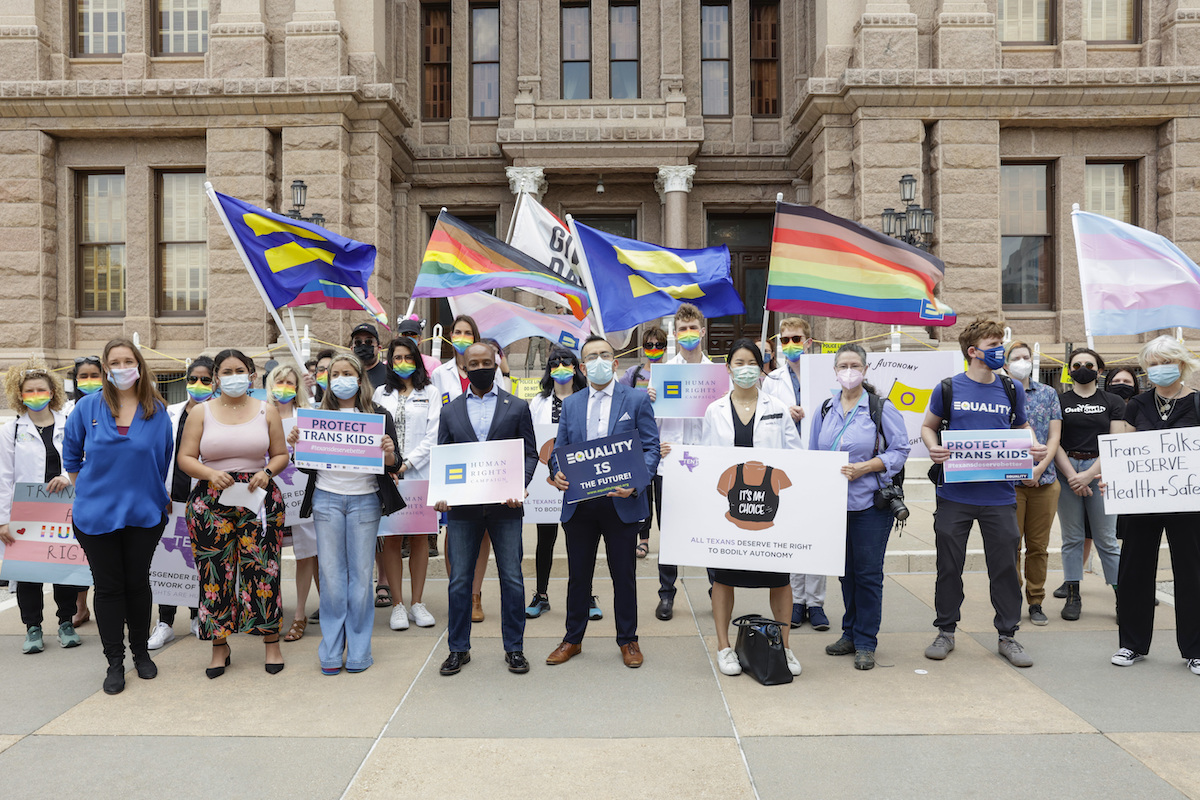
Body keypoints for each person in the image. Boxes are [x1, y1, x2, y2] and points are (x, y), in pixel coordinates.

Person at [921, 319, 1046, 668]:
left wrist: (1032, 445)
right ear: (973, 351)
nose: (999, 350)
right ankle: (946, 630)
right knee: (949, 566)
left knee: (1005, 567)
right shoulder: (947, 388)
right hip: (955, 495)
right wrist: (934, 448)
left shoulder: (1010, 389)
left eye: (1000, 343)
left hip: (1000, 495)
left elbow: (1021, 425)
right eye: (992, 344)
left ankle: (1008, 635)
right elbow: (928, 427)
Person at [63, 338, 174, 695]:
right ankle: (115, 661)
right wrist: (94, 490)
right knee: (109, 587)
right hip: (95, 515)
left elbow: (162, 459)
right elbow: (71, 457)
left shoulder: (156, 410)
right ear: (106, 368)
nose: (123, 367)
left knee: (137, 583)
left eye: (129, 360)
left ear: (139, 365)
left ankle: (141, 653)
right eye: (115, 362)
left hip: (144, 512)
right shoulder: (87, 407)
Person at [546, 335, 660, 669]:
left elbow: (651, 448)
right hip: (580, 504)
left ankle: (629, 640)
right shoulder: (572, 404)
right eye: (591, 357)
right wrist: (558, 473)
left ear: (614, 362)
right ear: (582, 367)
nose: (598, 361)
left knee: (623, 575)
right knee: (578, 575)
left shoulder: (636, 400)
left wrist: (637, 482)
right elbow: (559, 452)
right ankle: (572, 639)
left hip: (621, 502)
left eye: (604, 355)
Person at [176, 350, 290, 678]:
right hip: (211, 502)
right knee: (215, 575)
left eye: (240, 370)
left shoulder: (266, 410)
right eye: (227, 371)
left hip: (258, 498)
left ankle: (271, 641)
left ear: (252, 375)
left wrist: (267, 472)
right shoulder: (201, 412)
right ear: (216, 377)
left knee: (263, 572)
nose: (234, 376)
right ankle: (219, 645)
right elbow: (185, 457)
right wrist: (209, 473)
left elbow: (281, 453)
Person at [289, 353, 403, 675]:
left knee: (361, 579)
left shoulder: (379, 414)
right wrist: (298, 445)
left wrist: (390, 453)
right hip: (326, 500)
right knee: (331, 577)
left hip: (365, 501)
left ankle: (359, 650)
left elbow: (395, 462)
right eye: (334, 373)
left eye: (347, 372)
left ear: (359, 378)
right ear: (327, 380)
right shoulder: (317, 415)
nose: (341, 378)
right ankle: (330, 649)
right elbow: (305, 464)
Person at [700, 339, 804, 677]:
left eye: (751, 363)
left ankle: (784, 647)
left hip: (768, 509)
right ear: (728, 368)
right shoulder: (714, 410)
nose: (745, 368)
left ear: (761, 368)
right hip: (729, 509)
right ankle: (723, 646)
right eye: (738, 362)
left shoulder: (778, 408)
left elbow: (796, 456)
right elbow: (705, 458)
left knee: (779, 579)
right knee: (723, 579)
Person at [433, 342, 537, 676]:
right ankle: (458, 648)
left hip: (505, 507)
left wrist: (520, 485)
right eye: (473, 363)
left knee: (512, 577)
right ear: (464, 367)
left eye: (486, 362)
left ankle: (515, 648)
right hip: (463, 509)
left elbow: (530, 454)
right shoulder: (450, 411)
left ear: (496, 364)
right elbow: (444, 456)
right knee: (460, 579)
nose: (480, 367)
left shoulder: (517, 407)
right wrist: (443, 493)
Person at [811, 344, 911, 670]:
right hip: (835, 506)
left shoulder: (880, 408)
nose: (849, 370)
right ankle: (849, 633)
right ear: (835, 370)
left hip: (870, 504)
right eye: (843, 365)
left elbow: (899, 450)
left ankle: (866, 641)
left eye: (855, 364)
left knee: (868, 575)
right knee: (847, 575)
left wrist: (866, 467)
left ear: (865, 370)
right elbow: (812, 454)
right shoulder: (825, 409)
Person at [1106, 336, 1200, 675]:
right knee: (1134, 572)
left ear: (1182, 363)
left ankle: (1196, 649)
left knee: (1192, 573)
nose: (1160, 369)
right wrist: (1112, 478)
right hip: (1142, 502)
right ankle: (1131, 644)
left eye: (1167, 361)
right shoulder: (1137, 404)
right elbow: (1121, 449)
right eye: (1154, 363)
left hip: (1188, 504)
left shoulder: (1198, 403)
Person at [0, 360, 84, 654]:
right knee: (28, 570)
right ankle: (32, 628)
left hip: (64, 508)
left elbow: (83, 459)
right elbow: (4, 477)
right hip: (26, 511)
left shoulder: (69, 422)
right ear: (20, 395)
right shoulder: (11, 431)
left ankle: (66, 623)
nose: (36, 395)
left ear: (52, 392)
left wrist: (66, 476)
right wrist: (2, 520)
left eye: (41, 390)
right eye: (29, 391)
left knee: (64, 566)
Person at [429, 314, 503, 622]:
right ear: (450, 336)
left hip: (487, 464)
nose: (461, 337)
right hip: (455, 464)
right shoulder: (439, 374)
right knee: (455, 530)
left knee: (483, 531)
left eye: (467, 333)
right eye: (457, 332)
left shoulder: (493, 373)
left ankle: (475, 594)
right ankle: (457, 591)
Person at [761, 317, 829, 632]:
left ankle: (815, 602)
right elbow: (763, 416)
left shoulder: (826, 375)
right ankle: (796, 600)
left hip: (818, 461)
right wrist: (784, 411)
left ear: (809, 341)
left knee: (815, 532)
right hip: (786, 464)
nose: (790, 345)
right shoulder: (771, 380)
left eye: (796, 338)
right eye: (785, 340)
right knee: (791, 533)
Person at [147, 355, 214, 650]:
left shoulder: (218, 413)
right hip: (169, 499)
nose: (197, 385)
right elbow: (157, 454)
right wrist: (159, 493)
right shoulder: (169, 413)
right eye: (192, 379)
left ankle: (198, 617)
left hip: (204, 500)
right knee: (167, 562)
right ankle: (165, 622)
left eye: (205, 379)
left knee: (198, 561)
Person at [373, 335, 441, 631]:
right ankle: (398, 605)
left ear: (418, 360)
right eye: (397, 357)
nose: (402, 363)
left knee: (419, 537)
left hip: (419, 474)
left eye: (408, 357)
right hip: (388, 476)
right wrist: (390, 465)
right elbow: (373, 432)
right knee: (391, 537)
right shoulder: (379, 393)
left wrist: (407, 463)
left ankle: (417, 602)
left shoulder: (432, 392)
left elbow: (433, 435)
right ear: (390, 361)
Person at [1052, 347, 1123, 621]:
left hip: (1101, 471)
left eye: (1089, 365)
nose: (1083, 368)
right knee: (1072, 537)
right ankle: (1073, 594)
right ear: (1069, 370)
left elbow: (1114, 442)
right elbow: (1054, 440)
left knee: (1106, 538)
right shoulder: (1059, 400)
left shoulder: (1113, 401)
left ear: (1100, 370)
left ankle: (1122, 596)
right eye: (1077, 364)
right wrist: (1072, 475)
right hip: (1066, 468)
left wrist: (1089, 474)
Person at [653, 304, 714, 621]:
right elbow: (652, 426)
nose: (688, 335)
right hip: (669, 466)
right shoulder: (664, 375)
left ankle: (717, 590)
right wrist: (651, 402)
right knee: (671, 534)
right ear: (675, 334)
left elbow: (722, 423)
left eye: (693, 328)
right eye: (682, 330)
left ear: (702, 331)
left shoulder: (717, 376)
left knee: (710, 528)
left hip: (705, 466)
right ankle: (666, 594)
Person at [526, 346, 587, 619]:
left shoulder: (586, 399)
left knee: (582, 542)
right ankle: (541, 594)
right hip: (547, 480)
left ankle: (586, 594)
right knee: (545, 539)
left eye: (566, 362)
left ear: (575, 367)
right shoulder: (537, 402)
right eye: (555, 363)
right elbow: (532, 441)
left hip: (581, 479)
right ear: (548, 370)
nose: (561, 367)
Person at [1004, 342, 1062, 627]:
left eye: (1026, 357)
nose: (1022, 361)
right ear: (1005, 363)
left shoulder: (1048, 393)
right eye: (1016, 358)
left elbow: (1054, 437)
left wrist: (1038, 469)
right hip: (1009, 484)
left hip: (1045, 481)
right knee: (1010, 545)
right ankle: (1011, 599)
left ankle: (1036, 600)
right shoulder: (1000, 393)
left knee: (1038, 546)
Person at [266, 363, 321, 644]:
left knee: (306, 555)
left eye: (290, 382)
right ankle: (270, 613)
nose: (284, 387)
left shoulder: (307, 416)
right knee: (268, 557)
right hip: (269, 498)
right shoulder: (261, 415)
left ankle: (299, 615)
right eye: (280, 382)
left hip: (302, 498)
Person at [620, 326, 666, 560]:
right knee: (642, 491)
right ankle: (644, 539)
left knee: (664, 495)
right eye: (649, 345)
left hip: (666, 441)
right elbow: (620, 398)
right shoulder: (633, 373)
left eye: (659, 345)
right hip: (639, 444)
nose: (654, 349)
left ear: (665, 347)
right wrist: (639, 397)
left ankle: (668, 539)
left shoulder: (672, 373)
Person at [64, 354, 104, 627]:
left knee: (103, 557)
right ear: (75, 381)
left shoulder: (110, 406)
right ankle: (80, 606)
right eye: (83, 376)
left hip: (103, 489)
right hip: (74, 488)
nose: (89, 381)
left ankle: (109, 607)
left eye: (94, 375)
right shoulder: (68, 410)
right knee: (76, 555)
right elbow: (67, 453)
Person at [351, 323, 389, 395]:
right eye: (358, 342)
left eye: (369, 342)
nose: (363, 345)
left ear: (379, 348)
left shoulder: (390, 374)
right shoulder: (347, 375)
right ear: (352, 349)